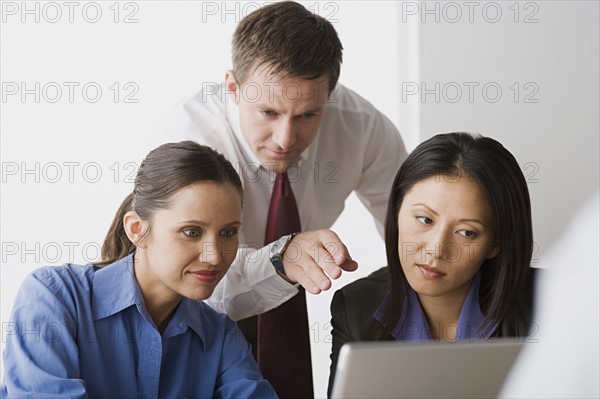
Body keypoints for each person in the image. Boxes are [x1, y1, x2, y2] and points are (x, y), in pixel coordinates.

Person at [157, 1, 407, 397]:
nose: (285, 139)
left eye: (308, 115)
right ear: (233, 88)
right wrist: (280, 259)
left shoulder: (362, 128)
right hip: (193, 318)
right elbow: (186, 278)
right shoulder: (188, 141)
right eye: (268, 112)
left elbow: (409, 230)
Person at [0, 141, 277, 398]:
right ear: (137, 230)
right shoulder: (52, 297)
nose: (214, 256)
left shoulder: (220, 336)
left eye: (228, 232)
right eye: (192, 232)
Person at [328, 132, 536, 396]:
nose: (436, 250)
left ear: (495, 244)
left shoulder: (554, 302)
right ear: (395, 211)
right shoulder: (355, 308)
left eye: (467, 232)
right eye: (424, 220)